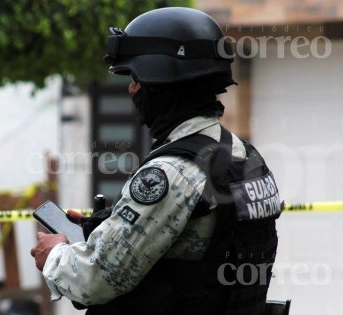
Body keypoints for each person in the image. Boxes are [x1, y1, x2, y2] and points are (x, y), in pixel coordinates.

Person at [31, 7, 281, 315]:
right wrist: (100, 227)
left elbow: (96, 278)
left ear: (163, 82)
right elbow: (195, 242)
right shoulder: (244, 156)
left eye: (136, 78)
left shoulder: (172, 172)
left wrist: (54, 253)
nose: (131, 88)